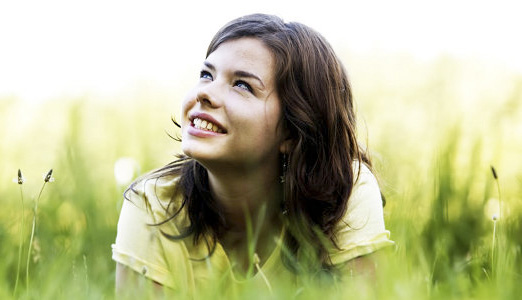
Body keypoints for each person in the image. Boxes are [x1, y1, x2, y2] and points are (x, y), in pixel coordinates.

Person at [112, 13, 394, 298]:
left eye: (242, 85)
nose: (206, 94)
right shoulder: (152, 207)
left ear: (292, 132)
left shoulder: (344, 191)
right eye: (206, 75)